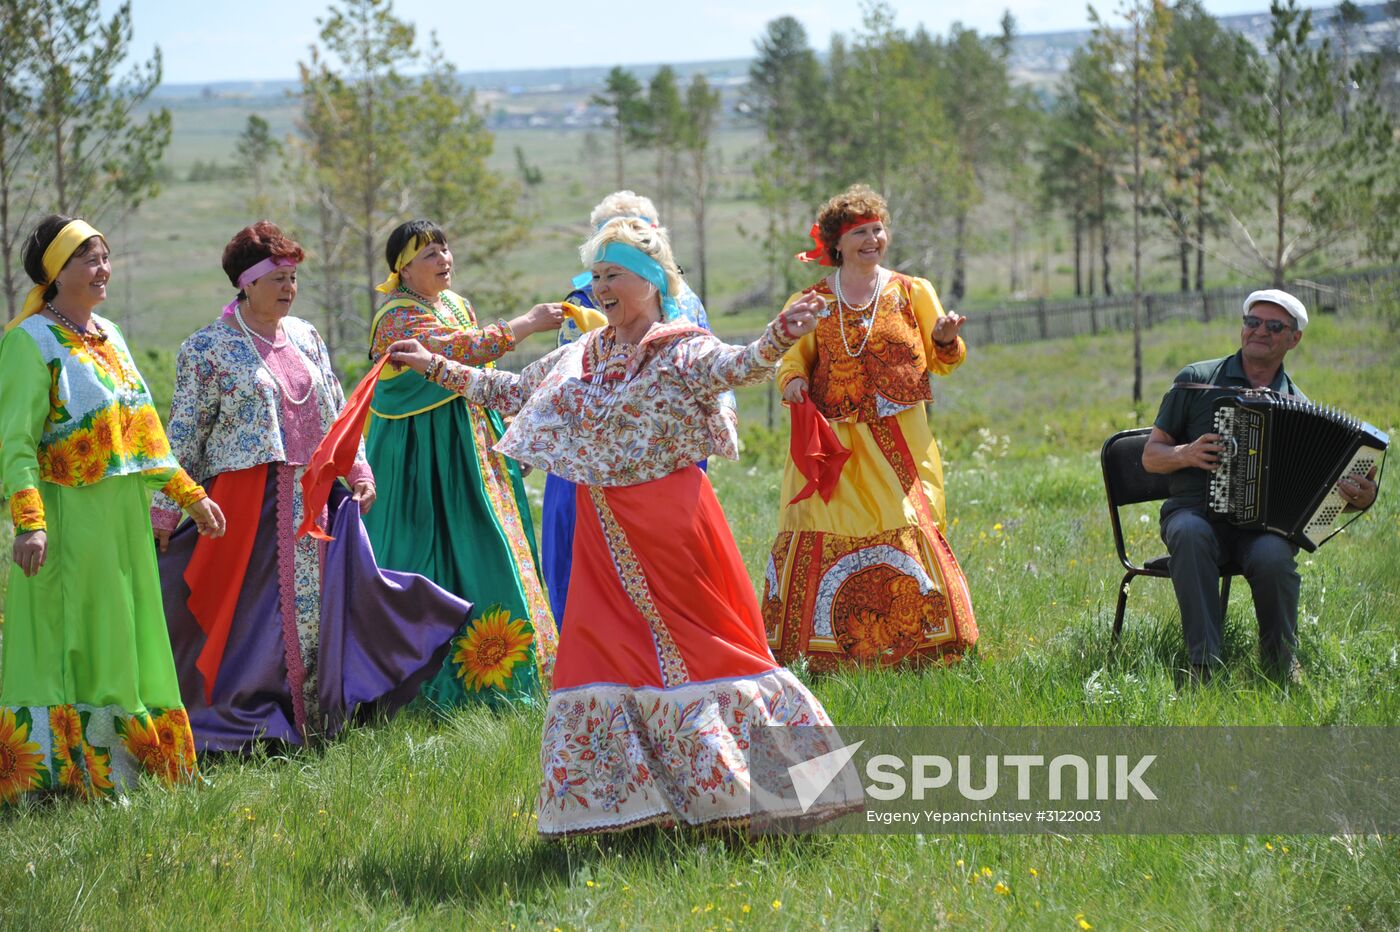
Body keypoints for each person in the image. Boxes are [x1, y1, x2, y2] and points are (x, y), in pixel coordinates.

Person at [385, 216, 856, 836]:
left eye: (614, 276)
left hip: (673, 530)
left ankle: (759, 794)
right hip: (600, 534)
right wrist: (433, 366)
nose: (601, 288)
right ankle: (628, 806)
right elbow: (513, 388)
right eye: (596, 276)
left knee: (705, 650)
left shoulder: (680, 346)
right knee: (600, 655)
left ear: (653, 280)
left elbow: (739, 365)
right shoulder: (583, 352)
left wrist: (778, 336)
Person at [151, 221, 468, 752]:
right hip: (244, 508)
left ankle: (322, 718)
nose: (287, 288)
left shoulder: (306, 336)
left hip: (315, 501)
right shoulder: (206, 349)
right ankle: (261, 721)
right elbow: (181, 435)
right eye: (276, 277)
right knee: (254, 622)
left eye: (293, 277)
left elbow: (339, 412)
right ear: (246, 283)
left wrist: (359, 470)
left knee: (323, 608)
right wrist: (168, 511)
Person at [0, 214, 225, 806]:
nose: (103, 269)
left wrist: (191, 496)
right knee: (81, 637)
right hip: (69, 520)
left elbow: (146, 435)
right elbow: (15, 441)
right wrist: (30, 522)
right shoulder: (29, 342)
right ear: (56, 272)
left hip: (122, 522)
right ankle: (69, 777)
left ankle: (132, 765)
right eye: (88, 259)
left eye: (105, 257)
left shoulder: (113, 338)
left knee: (128, 636)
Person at [762, 184, 979, 669]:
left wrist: (945, 341)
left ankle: (927, 648)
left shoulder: (911, 291)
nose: (872, 239)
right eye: (860, 231)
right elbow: (790, 358)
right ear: (836, 243)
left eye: (878, 228)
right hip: (832, 449)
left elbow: (946, 361)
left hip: (901, 443)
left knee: (908, 522)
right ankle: (815, 655)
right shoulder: (811, 300)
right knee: (824, 525)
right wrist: (794, 381)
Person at [366, 219, 561, 708]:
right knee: (427, 551)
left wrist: (509, 435)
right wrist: (528, 323)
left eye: (444, 249)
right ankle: (423, 688)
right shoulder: (394, 318)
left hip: (470, 444)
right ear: (403, 269)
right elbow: (459, 352)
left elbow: (481, 376)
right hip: (420, 458)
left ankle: (514, 677)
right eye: (429, 253)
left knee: (494, 543)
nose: (443, 259)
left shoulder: (457, 305)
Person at [1142, 289, 1377, 684]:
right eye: (1252, 322)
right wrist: (1185, 454)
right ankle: (1202, 666)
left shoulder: (1299, 406)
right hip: (1195, 514)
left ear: (1293, 338)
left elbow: (1324, 495)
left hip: (1262, 531)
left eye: (1273, 326)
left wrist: (1361, 499)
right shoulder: (1198, 381)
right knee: (1189, 531)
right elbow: (1151, 455)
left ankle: (1279, 666)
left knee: (1273, 556)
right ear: (1242, 327)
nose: (1259, 332)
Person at [542, 190, 731, 621]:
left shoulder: (686, 300)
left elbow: (717, 366)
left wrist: (718, 419)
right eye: (613, 231)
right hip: (591, 452)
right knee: (582, 552)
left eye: (638, 229)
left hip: (668, 447)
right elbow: (567, 381)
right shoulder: (586, 299)